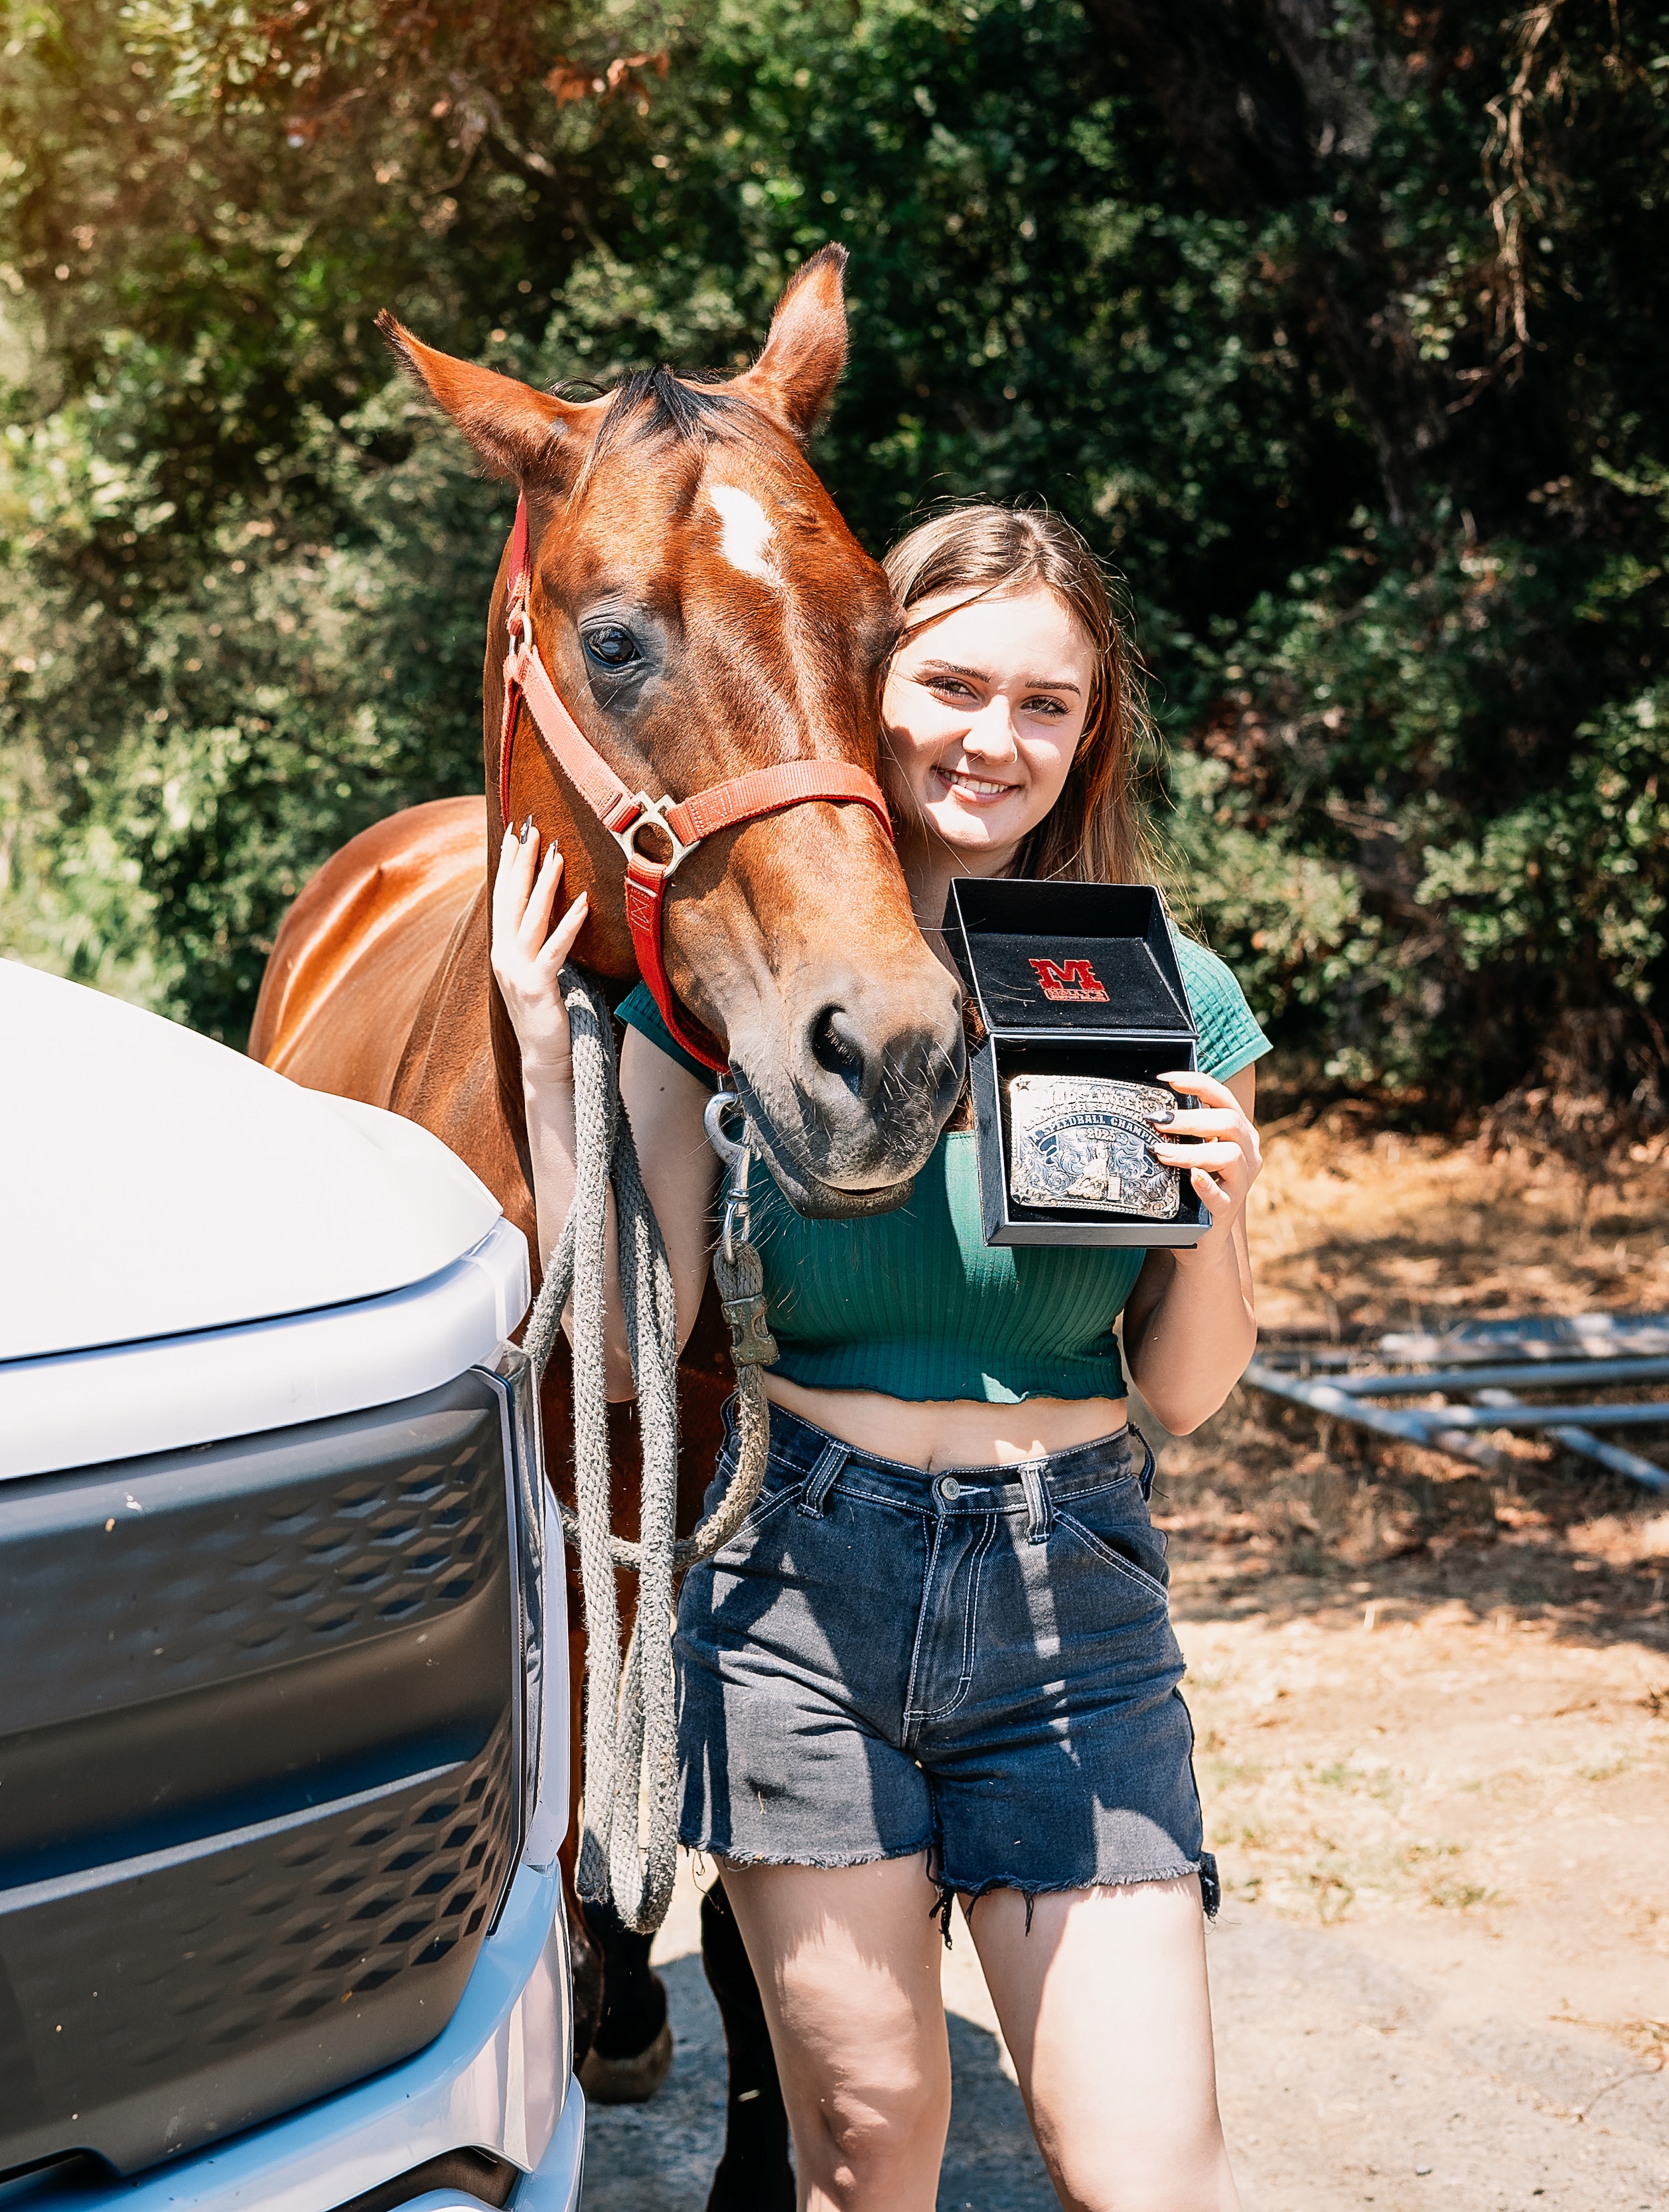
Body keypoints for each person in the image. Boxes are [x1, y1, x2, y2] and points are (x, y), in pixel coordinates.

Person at [492, 504, 1264, 2212]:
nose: (994, 738)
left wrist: (1216, 1205)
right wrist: (557, 1057)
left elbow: (1193, 1387)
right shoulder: (721, 999)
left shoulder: (1163, 990)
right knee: (864, 2154)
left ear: (1090, 733)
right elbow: (630, 1344)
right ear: (864, 680)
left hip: (1073, 1595)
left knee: (1151, 2168)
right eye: (953, 684)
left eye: (1045, 705)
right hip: (798, 1596)